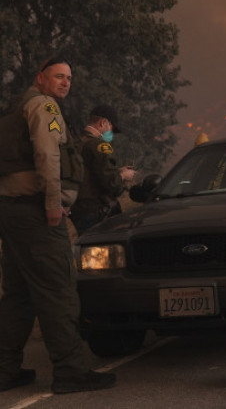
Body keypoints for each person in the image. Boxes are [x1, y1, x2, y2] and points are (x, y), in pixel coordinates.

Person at [0, 57, 116, 394]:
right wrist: (53, 202)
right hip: (37, 213)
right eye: (58, 76)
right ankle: (70, 372)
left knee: (18, 296)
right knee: (59, 292)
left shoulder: (13, 110)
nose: (65, 82)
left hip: (12, 212)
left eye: (68, 78)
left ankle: (4, 370)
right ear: (41, 78)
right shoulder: (44, 106)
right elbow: (48, 154)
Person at [70, 105, 137, 234]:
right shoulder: (99, 145)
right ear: (103, 123)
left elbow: (89, 173)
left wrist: (117, 171)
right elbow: (111, 183)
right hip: (96, 211)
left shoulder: (76, 141)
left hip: (78, 209)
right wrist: (123, 176)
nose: (111, 133)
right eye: (111, 128)